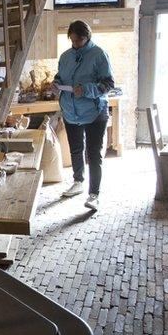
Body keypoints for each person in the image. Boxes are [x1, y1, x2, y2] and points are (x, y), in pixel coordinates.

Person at [53, 20, 114, 211]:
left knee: (94, 154)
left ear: (87, 37)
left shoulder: (99, 55)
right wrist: (55, 84)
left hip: (95, 112)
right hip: (71, 112)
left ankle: (94, 194)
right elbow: (60, 77)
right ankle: (78, 182)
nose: (76, 44)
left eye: (79, 40)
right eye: (72, 40)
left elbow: (108, 84)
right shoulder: (65, 56)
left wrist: (86, 90)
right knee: (75, 150)